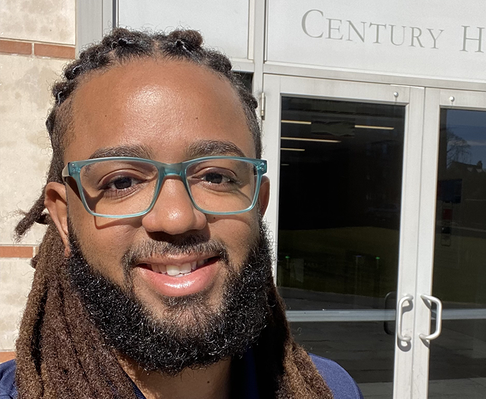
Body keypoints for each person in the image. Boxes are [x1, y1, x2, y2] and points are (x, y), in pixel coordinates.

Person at [0, 28, 363, 399]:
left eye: (215, 176)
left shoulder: (330, 390)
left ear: (259, 203)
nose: (177, 218)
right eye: (122, 181)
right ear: (64, 219)